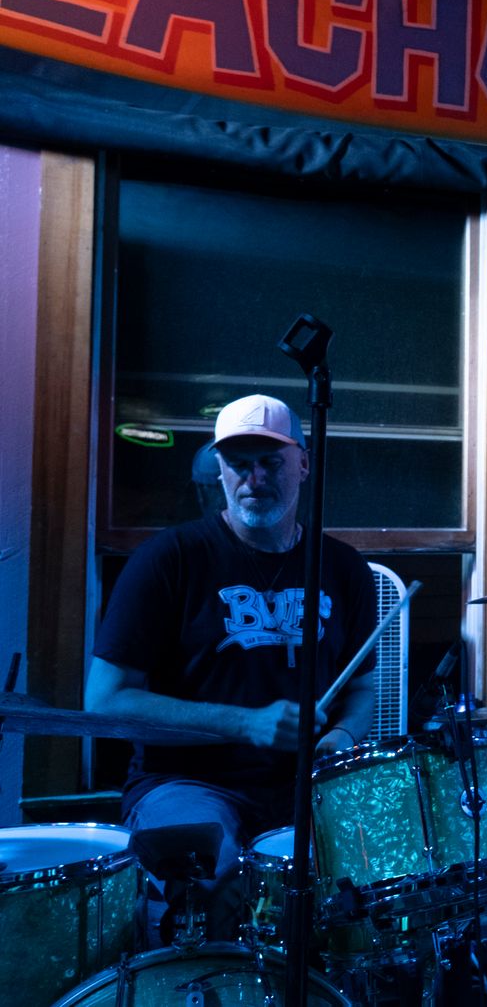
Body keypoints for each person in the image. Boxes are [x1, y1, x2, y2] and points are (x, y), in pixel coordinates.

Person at [86, 393, 377, 942]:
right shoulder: (169, 559)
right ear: (219, 471)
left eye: (271, 462)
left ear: (303, 464)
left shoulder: (343, 567)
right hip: (186, 781)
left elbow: (362, 688)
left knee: (369, 875)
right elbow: (104, 701)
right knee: (208, 877)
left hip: (306, 786)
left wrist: (341, 736)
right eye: (239, 463)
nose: (254, 478)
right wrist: (244, 723)